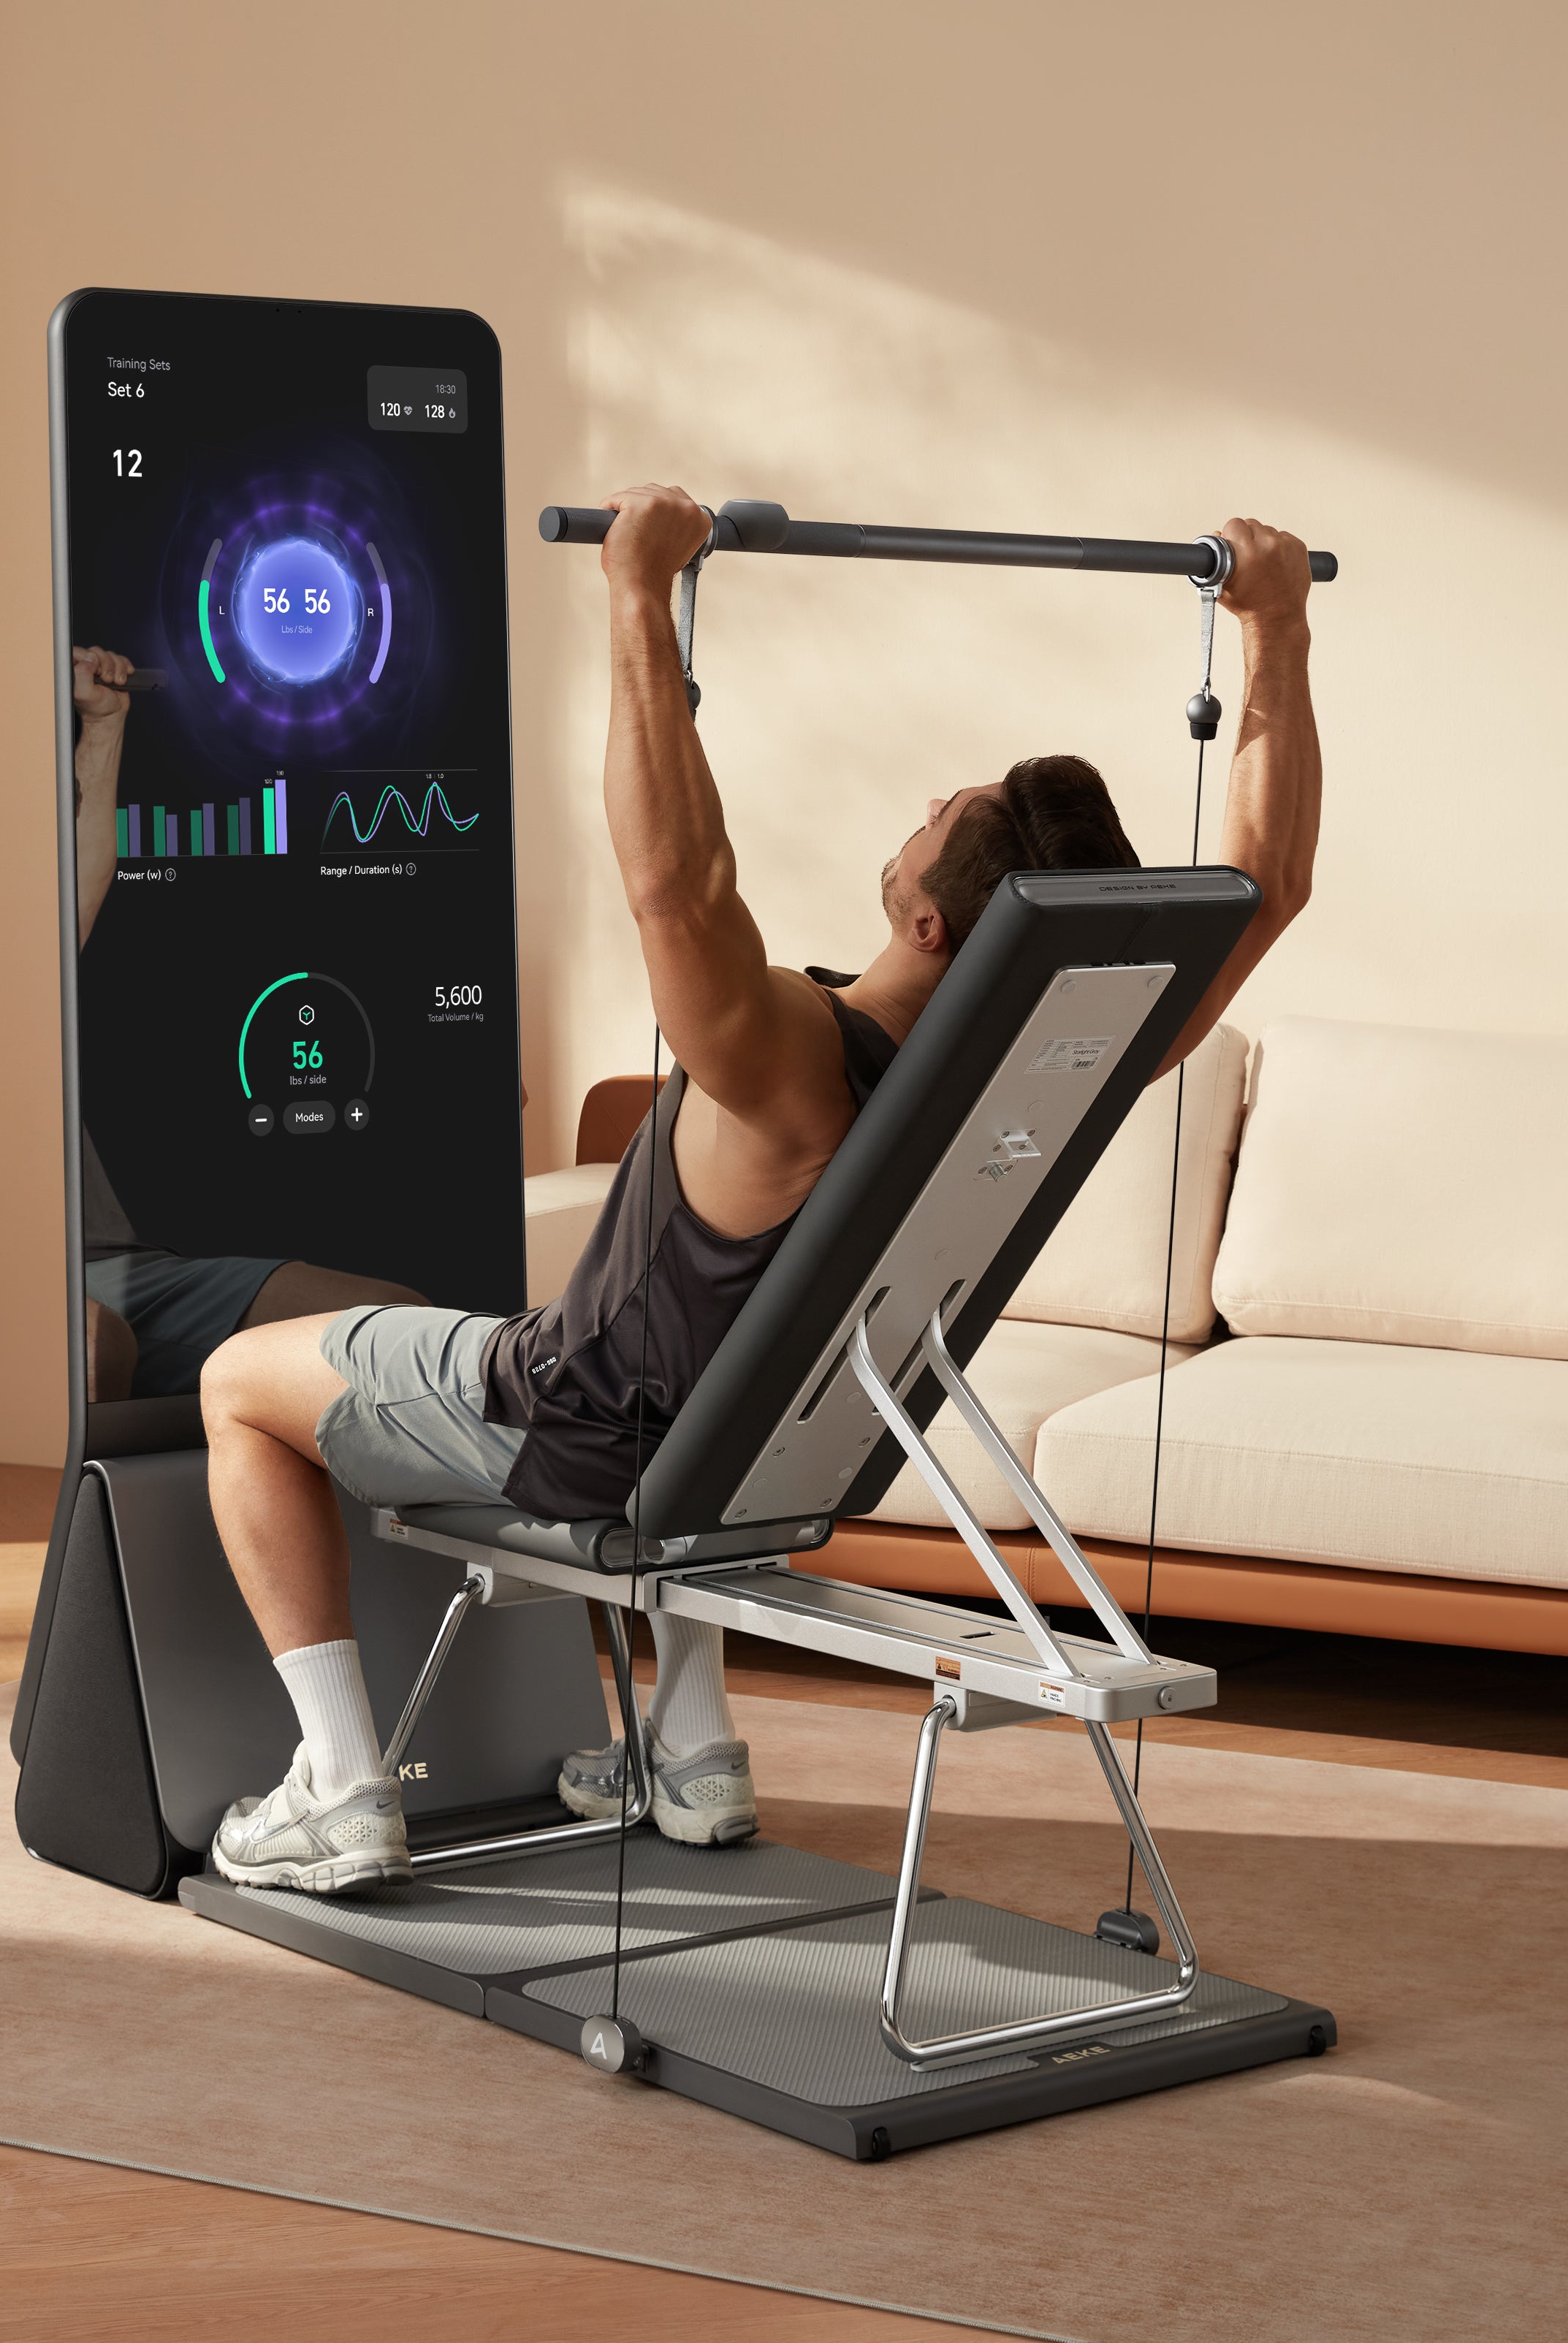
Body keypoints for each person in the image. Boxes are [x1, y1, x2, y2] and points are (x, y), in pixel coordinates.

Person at [191, 484, 1325, 1895]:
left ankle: (338, 1783)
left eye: (945, 815)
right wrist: (1277, 628)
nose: (928, 802)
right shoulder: (1055, 1066)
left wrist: (637, 593)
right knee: (707, 1369)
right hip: (777, 1459)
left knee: (240, 1383)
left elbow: (676, 886)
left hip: (568, 1430)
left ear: (927, 918)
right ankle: (690, 1741)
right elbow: (1270, 883)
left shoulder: (792, 1059)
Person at [69, 644, 417, 1398]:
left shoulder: (19, 959)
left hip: (127, 1266)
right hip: (17, 1278)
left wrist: (104, 724)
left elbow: (84, 883)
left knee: (396, 1324)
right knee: (96, 1352)